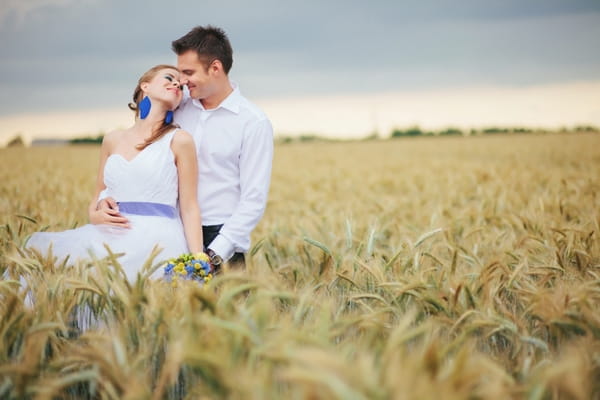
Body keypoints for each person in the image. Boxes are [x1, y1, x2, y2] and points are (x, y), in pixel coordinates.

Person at [96, 26, 274, 271]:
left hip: (220, 238)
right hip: (165, 235)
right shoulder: (177, 104)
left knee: (226, 310)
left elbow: (253, 198)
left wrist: (214, 253)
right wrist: (104, 201)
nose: (181, 80)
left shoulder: (253, 122)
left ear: (215, 68)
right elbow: (137, 155)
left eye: (188, 72)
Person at [26, 64, 204, 282]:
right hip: (110, 237)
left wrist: (198, 259)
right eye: (169, 77)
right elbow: (98, 195)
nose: (177, 83)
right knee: (41, 264)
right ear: (145, 86)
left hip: (159, 242)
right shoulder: (112, 139)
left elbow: (189, 206)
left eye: (181, 85)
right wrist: (96, 214)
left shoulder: (180, 140)